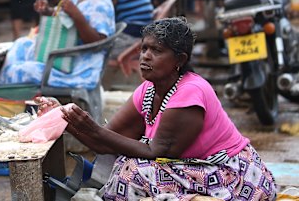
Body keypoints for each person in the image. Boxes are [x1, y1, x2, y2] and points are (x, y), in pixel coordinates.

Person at [37, 17, 277, 200]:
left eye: (157, 51)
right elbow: (106, 143)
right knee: (121, 163)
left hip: (233, 175)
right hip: (194, 168)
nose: (146, 57)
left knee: (134, 171)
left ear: (180, 60)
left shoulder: (190, 93)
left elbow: (156, 151)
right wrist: (64, 117)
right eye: (144, 49)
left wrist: (91, 127)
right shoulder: (148, 90)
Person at [0, 0, 115, 89]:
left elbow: (99, 43)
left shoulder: (101, 3)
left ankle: (6, 94)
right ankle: (2, 88)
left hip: (78, 67)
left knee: (24, 70)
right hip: (66, 56)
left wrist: (77, 16)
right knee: (20, 45)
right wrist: (47, 11)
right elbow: (64, 20)